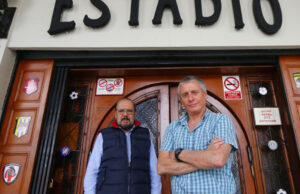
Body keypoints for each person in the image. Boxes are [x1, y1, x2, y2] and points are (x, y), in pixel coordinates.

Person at [157, 76, 238, 194]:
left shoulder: (220, 120)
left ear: (205, 95)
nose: (190, 98)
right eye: (185, 95)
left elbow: (217, 160)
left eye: (194, 93)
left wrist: (178, 154)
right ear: (181, 100)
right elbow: (162, 167)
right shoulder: (172, 128)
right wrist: (206, 157)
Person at [84, 98, 161, 194]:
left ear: (135, 114)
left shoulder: (145, 135)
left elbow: (154, 171)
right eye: (121, 111)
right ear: (115, 114)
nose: (125, 114)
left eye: (129, 111)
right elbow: (92, 171)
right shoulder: (104, 136)